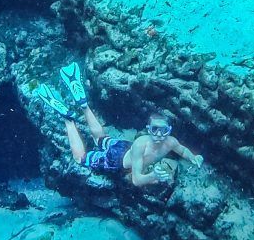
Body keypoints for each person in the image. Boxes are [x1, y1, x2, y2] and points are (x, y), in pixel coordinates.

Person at [31, 62, 204, 187]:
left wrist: (193, 157)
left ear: (169, 131)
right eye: (155, 130)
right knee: (80, 158)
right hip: (115, 159)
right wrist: (153, 175)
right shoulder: (141, 145)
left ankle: (83, 104)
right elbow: (136, 180)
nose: (159, 135)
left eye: (163, 131)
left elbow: (182, 151)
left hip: (123, 146)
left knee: (101, 139)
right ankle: (68, 120)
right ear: (148, 130)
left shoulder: (171, 142)